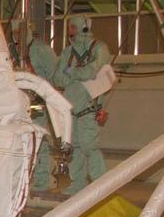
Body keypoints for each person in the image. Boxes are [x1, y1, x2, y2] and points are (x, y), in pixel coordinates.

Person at [51, 14, 113, 194]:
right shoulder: (67, 52)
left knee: (89, 146)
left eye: (73, 27)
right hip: (71, 107)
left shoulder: (99, 48)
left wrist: (71, 72)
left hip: (88, 107)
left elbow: (92, 72)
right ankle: (78, 183)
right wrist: (77, 72)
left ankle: (101, 184)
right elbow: (58, 78)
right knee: (75, 146)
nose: (70, 31)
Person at [25, 31, 60, 193]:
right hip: (23, 102)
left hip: (39, 103)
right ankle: (27, 179)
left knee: (39, 141)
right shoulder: (13, 49)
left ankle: (42, 180)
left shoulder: (41, 50)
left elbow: (55, 77)